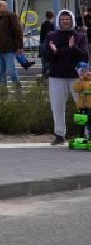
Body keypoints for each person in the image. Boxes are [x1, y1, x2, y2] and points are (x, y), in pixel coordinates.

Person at [41, 10, 86, 145]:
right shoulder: (51, 35)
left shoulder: (80, 36)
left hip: (76, 76)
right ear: (58, 21)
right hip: (56, 76)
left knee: (83, 106)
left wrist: (73, 48)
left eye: (67, 19)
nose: (65, 21)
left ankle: (85, 133)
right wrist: (54, 51)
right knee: (57, 106)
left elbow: (84, 56)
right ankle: (59, 134)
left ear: (72, 20)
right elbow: (46, 56)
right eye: (62, 19)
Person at [0, 0, 24, 93]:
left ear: (3, 7)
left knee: (11, 71)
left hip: (9, 49)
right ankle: (3, 92)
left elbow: (18, 31)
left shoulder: (11, 16)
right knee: (0, 73)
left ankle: (18, 90)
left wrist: (19, 47)